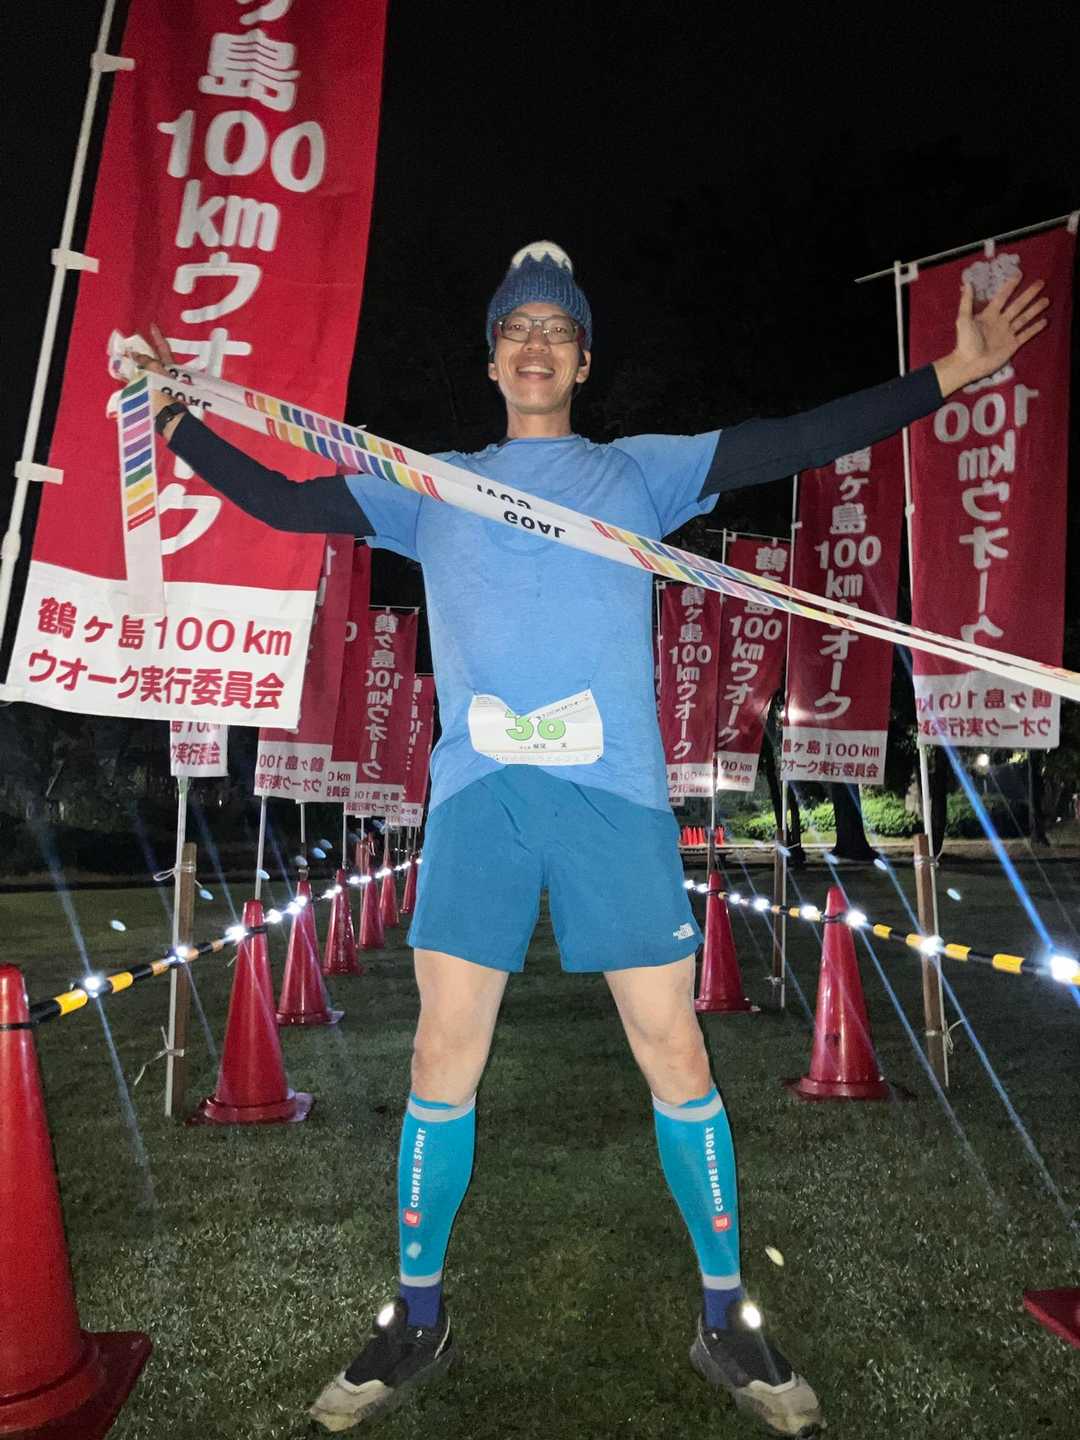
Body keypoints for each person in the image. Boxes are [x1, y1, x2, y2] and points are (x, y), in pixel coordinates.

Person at [138, 243, 1046, 1437]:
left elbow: (789, 439)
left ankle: (726, 1320)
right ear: (491, 361)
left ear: (581, 360)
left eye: (555, 330)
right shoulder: (432, 483)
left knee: (675, 1050)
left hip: (613, 797)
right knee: (439, 1057)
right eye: (515, 328)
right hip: (480, 798)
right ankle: (416, 1316)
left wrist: (948, 375)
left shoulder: (636, 474)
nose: (534, 344)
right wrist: (175, 422)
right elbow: (281, 499)